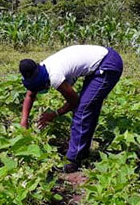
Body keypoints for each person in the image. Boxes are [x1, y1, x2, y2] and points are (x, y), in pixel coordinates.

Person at [19, 45, 124, 173]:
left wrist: (55, 114)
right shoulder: (39, 69)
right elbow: (30, 94)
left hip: (107, 64)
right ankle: (82, 152)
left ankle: (73, 160)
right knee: (89, 106)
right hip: (100, 61)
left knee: (82, 109)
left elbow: (74, 102)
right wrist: (24, 121)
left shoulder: (54, 75)